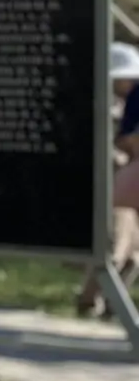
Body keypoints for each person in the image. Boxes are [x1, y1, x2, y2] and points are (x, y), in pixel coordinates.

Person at [81, 42, 139, 317]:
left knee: (134, 257)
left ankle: (115, 309)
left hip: (128, 186)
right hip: (111, 187)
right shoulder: (101, 108)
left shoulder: (130, 106)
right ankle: (89, 302)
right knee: (112, 252)